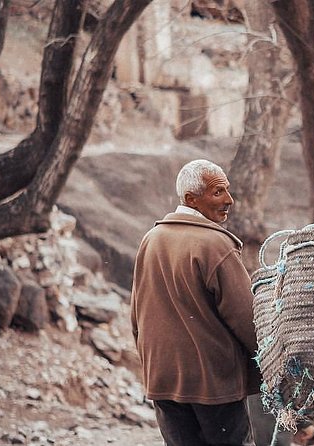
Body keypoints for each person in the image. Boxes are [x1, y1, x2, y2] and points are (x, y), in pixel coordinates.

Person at [130, 159, 259, 446]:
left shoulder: (151, 239)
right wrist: (271, 363)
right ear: (191, 199)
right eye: (217, 192)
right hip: (213, 382)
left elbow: (137, 315)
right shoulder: (216, 244)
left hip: (162, 377)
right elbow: (247, 320)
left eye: (227, 191)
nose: (229, 200)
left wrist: (151, 364)